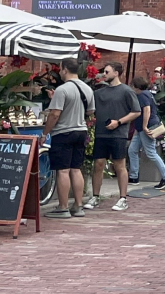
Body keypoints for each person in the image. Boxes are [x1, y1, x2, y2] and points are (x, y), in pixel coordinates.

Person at [41, 57, 94, 218]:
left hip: (63, 132)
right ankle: (78, 206)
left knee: (63, 170)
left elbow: (55, 114)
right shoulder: (87, 89)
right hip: (81, 130)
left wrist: (45, 133)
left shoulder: (62, 90)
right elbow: (91, 112)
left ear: (64, 69)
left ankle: (63, 207)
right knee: (76, 169)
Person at [87, 60, 140, 212]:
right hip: (101, 133)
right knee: (98, 164)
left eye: (107, 72)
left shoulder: (126, 91)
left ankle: (123, 198)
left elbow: (136, 111)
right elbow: (90, 110)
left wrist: (119, 122)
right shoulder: (98, 93)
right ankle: (95, 196)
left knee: (119, 165)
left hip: (119, 134)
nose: (104, 74)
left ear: (116, 73)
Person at [127, 73, 165, 189]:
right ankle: (134, 176)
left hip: (145, 127)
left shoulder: (142, 95)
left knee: (151, 152)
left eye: (132, 86)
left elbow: (147, 110)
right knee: (132, 150)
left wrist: (145, 126)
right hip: (140, 127)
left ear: (136, 86)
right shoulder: (148, 94)